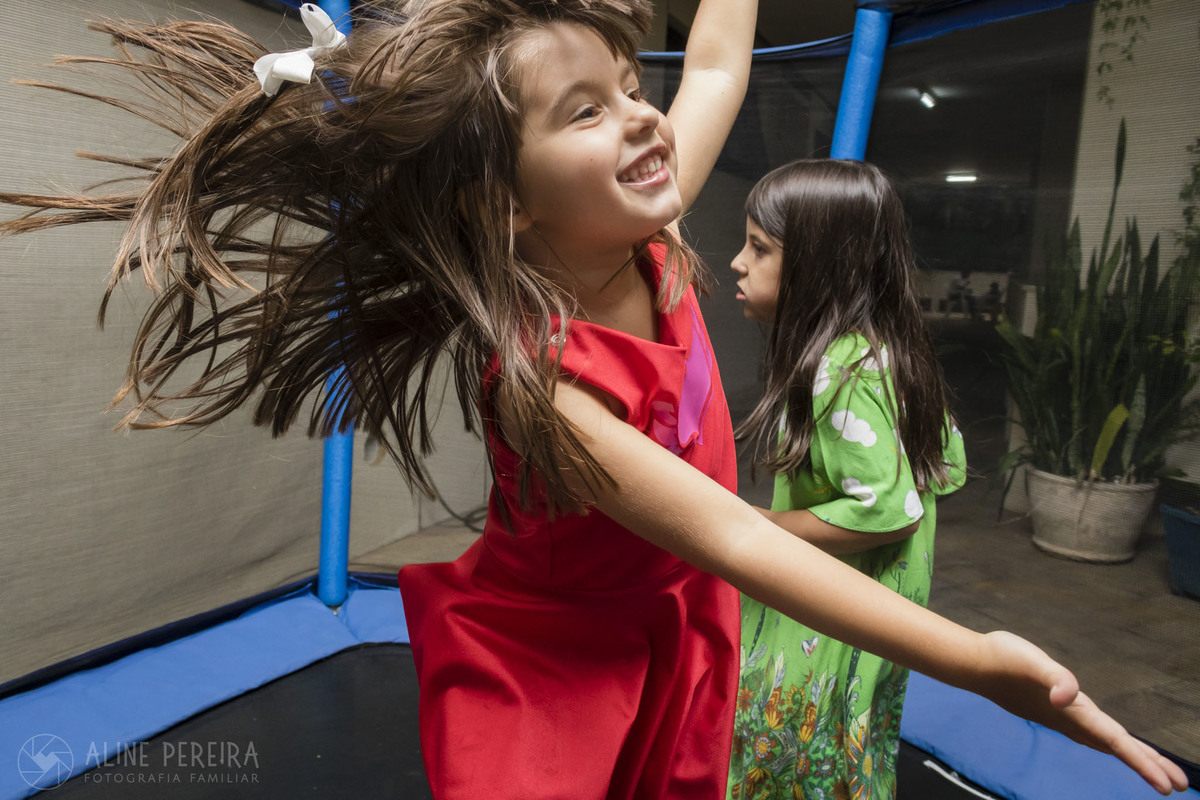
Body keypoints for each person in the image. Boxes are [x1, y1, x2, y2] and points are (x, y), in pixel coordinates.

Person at [0, 2, 1187, 798]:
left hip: (676, 625)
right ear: (503, 202)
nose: (641, 114)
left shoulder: (652, 232)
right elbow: (730, 531)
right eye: (584, 110)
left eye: (629, 86)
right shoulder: (539, 386)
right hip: (551, 654)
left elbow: (716, 59)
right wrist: (979, 659)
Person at [726, 159, 967, 799]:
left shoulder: (841, 369)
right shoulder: (892, 350)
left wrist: (760, 530)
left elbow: (889, 509)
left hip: (830, 613)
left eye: (759, 247)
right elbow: (947, 464)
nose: (737, 263)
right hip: (880, 617)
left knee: (782, 739)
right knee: (846, 743)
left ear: (818, 265)